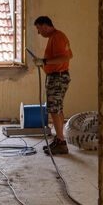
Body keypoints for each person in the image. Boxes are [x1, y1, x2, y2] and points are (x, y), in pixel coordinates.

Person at [33, 16, 73, 155]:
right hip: (57, 76)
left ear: (45, 26)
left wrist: (44, 62)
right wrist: (43, 63)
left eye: (39, 29)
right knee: (58, 108)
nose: (39, 33)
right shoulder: (56, 37)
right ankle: (59, 139)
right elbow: (65, 57)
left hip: (58, 77)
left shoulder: (57, 37)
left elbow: (65, 57)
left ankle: (61, 142)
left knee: (54, 109)